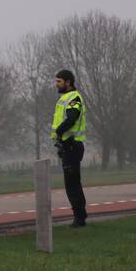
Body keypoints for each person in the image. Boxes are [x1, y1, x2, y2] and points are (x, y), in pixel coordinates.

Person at [52, 69, 88, 227]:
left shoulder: (74, 98)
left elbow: (72, 118)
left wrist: (60, 131)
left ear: (68, 82)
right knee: (71, 183)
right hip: (67, 146)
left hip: (72, 145)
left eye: (59, 81)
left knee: (73, 184)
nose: (56, 84)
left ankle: (80, 218)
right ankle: (80, 215)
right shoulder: (64, 98)